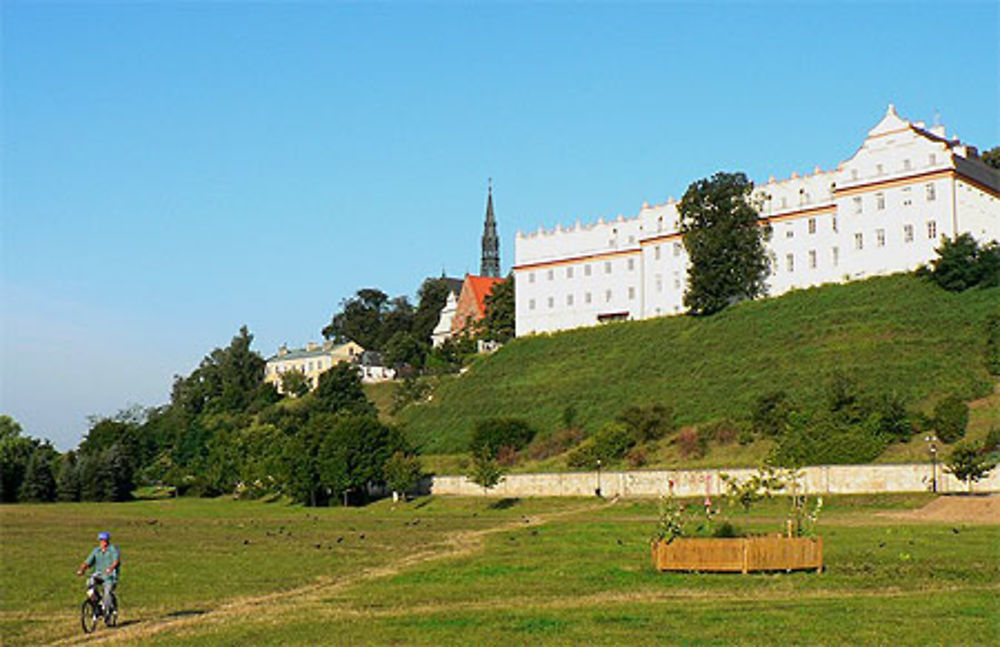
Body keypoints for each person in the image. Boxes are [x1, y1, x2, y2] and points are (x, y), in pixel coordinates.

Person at [77, 531, 121, 614]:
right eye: (101, 540)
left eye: (104, 540)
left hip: (110, 576)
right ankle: (96, 600)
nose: (102, 542)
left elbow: (116, 561)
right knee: (90, 583)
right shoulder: (96, 551)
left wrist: (111, 569)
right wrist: (82, 569)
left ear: (108, 541)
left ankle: (107, 609)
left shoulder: (113, 550)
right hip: (99, 574)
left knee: (107, 592)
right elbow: (87, 562)